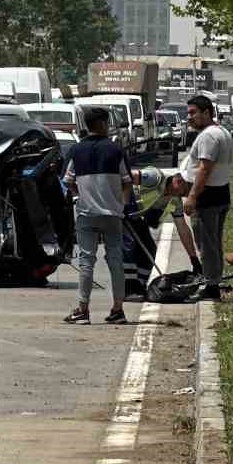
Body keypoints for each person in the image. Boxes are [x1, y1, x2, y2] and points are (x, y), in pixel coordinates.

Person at [63, 107, 135, 324]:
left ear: (86, 125)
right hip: (113, 214)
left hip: (86, 214)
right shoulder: (115, 150)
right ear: (103, 124)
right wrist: (121, 205)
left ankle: (83, 310)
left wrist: (80, 196)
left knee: (86, 261)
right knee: (115, 260)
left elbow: (68, 181)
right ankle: (118, 310)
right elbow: (127, 181)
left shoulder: (76, 150)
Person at [182, 93, 233, 301]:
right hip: (221, 193)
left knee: (206, 244)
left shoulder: (209, 136)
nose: (189, 117)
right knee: (213, 242)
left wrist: (192, 196)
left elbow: (204, 169)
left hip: (208, 196)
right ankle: (214, 280)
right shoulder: (221, 132)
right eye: (188, 113)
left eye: (193, 113)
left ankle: (211, 286)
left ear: (207, 112)